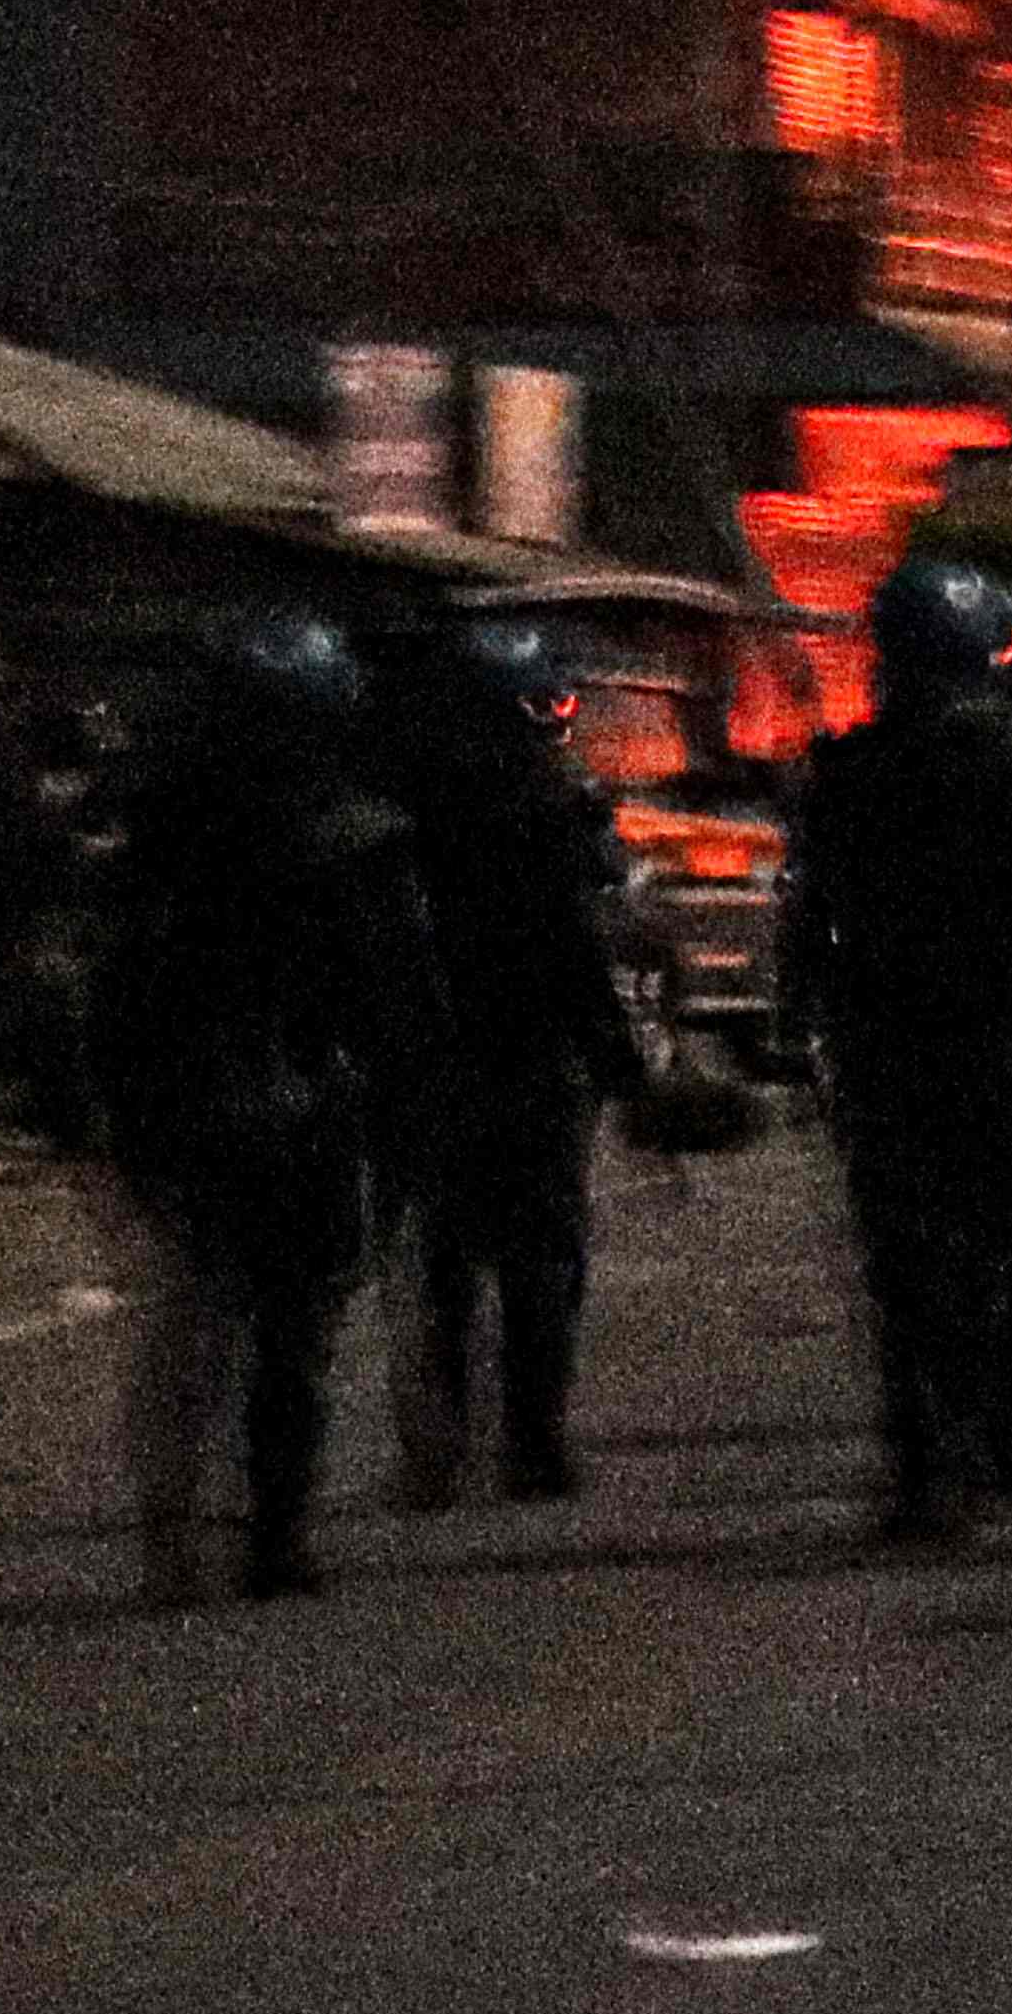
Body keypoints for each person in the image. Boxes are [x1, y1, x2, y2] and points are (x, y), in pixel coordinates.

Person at [82, 609, 437, 1608]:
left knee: (213, 1323)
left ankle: (196, 1533)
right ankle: (266, 1533)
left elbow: (115, 994)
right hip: (283, 1115)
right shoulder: (345, 842)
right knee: (280, 1335)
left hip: (217, 1112)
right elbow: (397, 1006)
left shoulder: (169, 837)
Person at [793, 554, 1012, 1546]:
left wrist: (800, 1026)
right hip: (1007, 1046)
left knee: (911, 1271)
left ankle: (931, 1468)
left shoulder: (848, 774)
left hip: (891, 1055)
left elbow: (811, 918)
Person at [375, 612, 645, 1510]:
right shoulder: (547, 811)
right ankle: (530, 1440)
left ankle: (445, 1446)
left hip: (433, 1064)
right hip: (528, 1061)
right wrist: (620, 1057)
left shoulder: (404, 813)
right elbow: (576, 943)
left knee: (445, 1261)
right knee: (538, 1257)